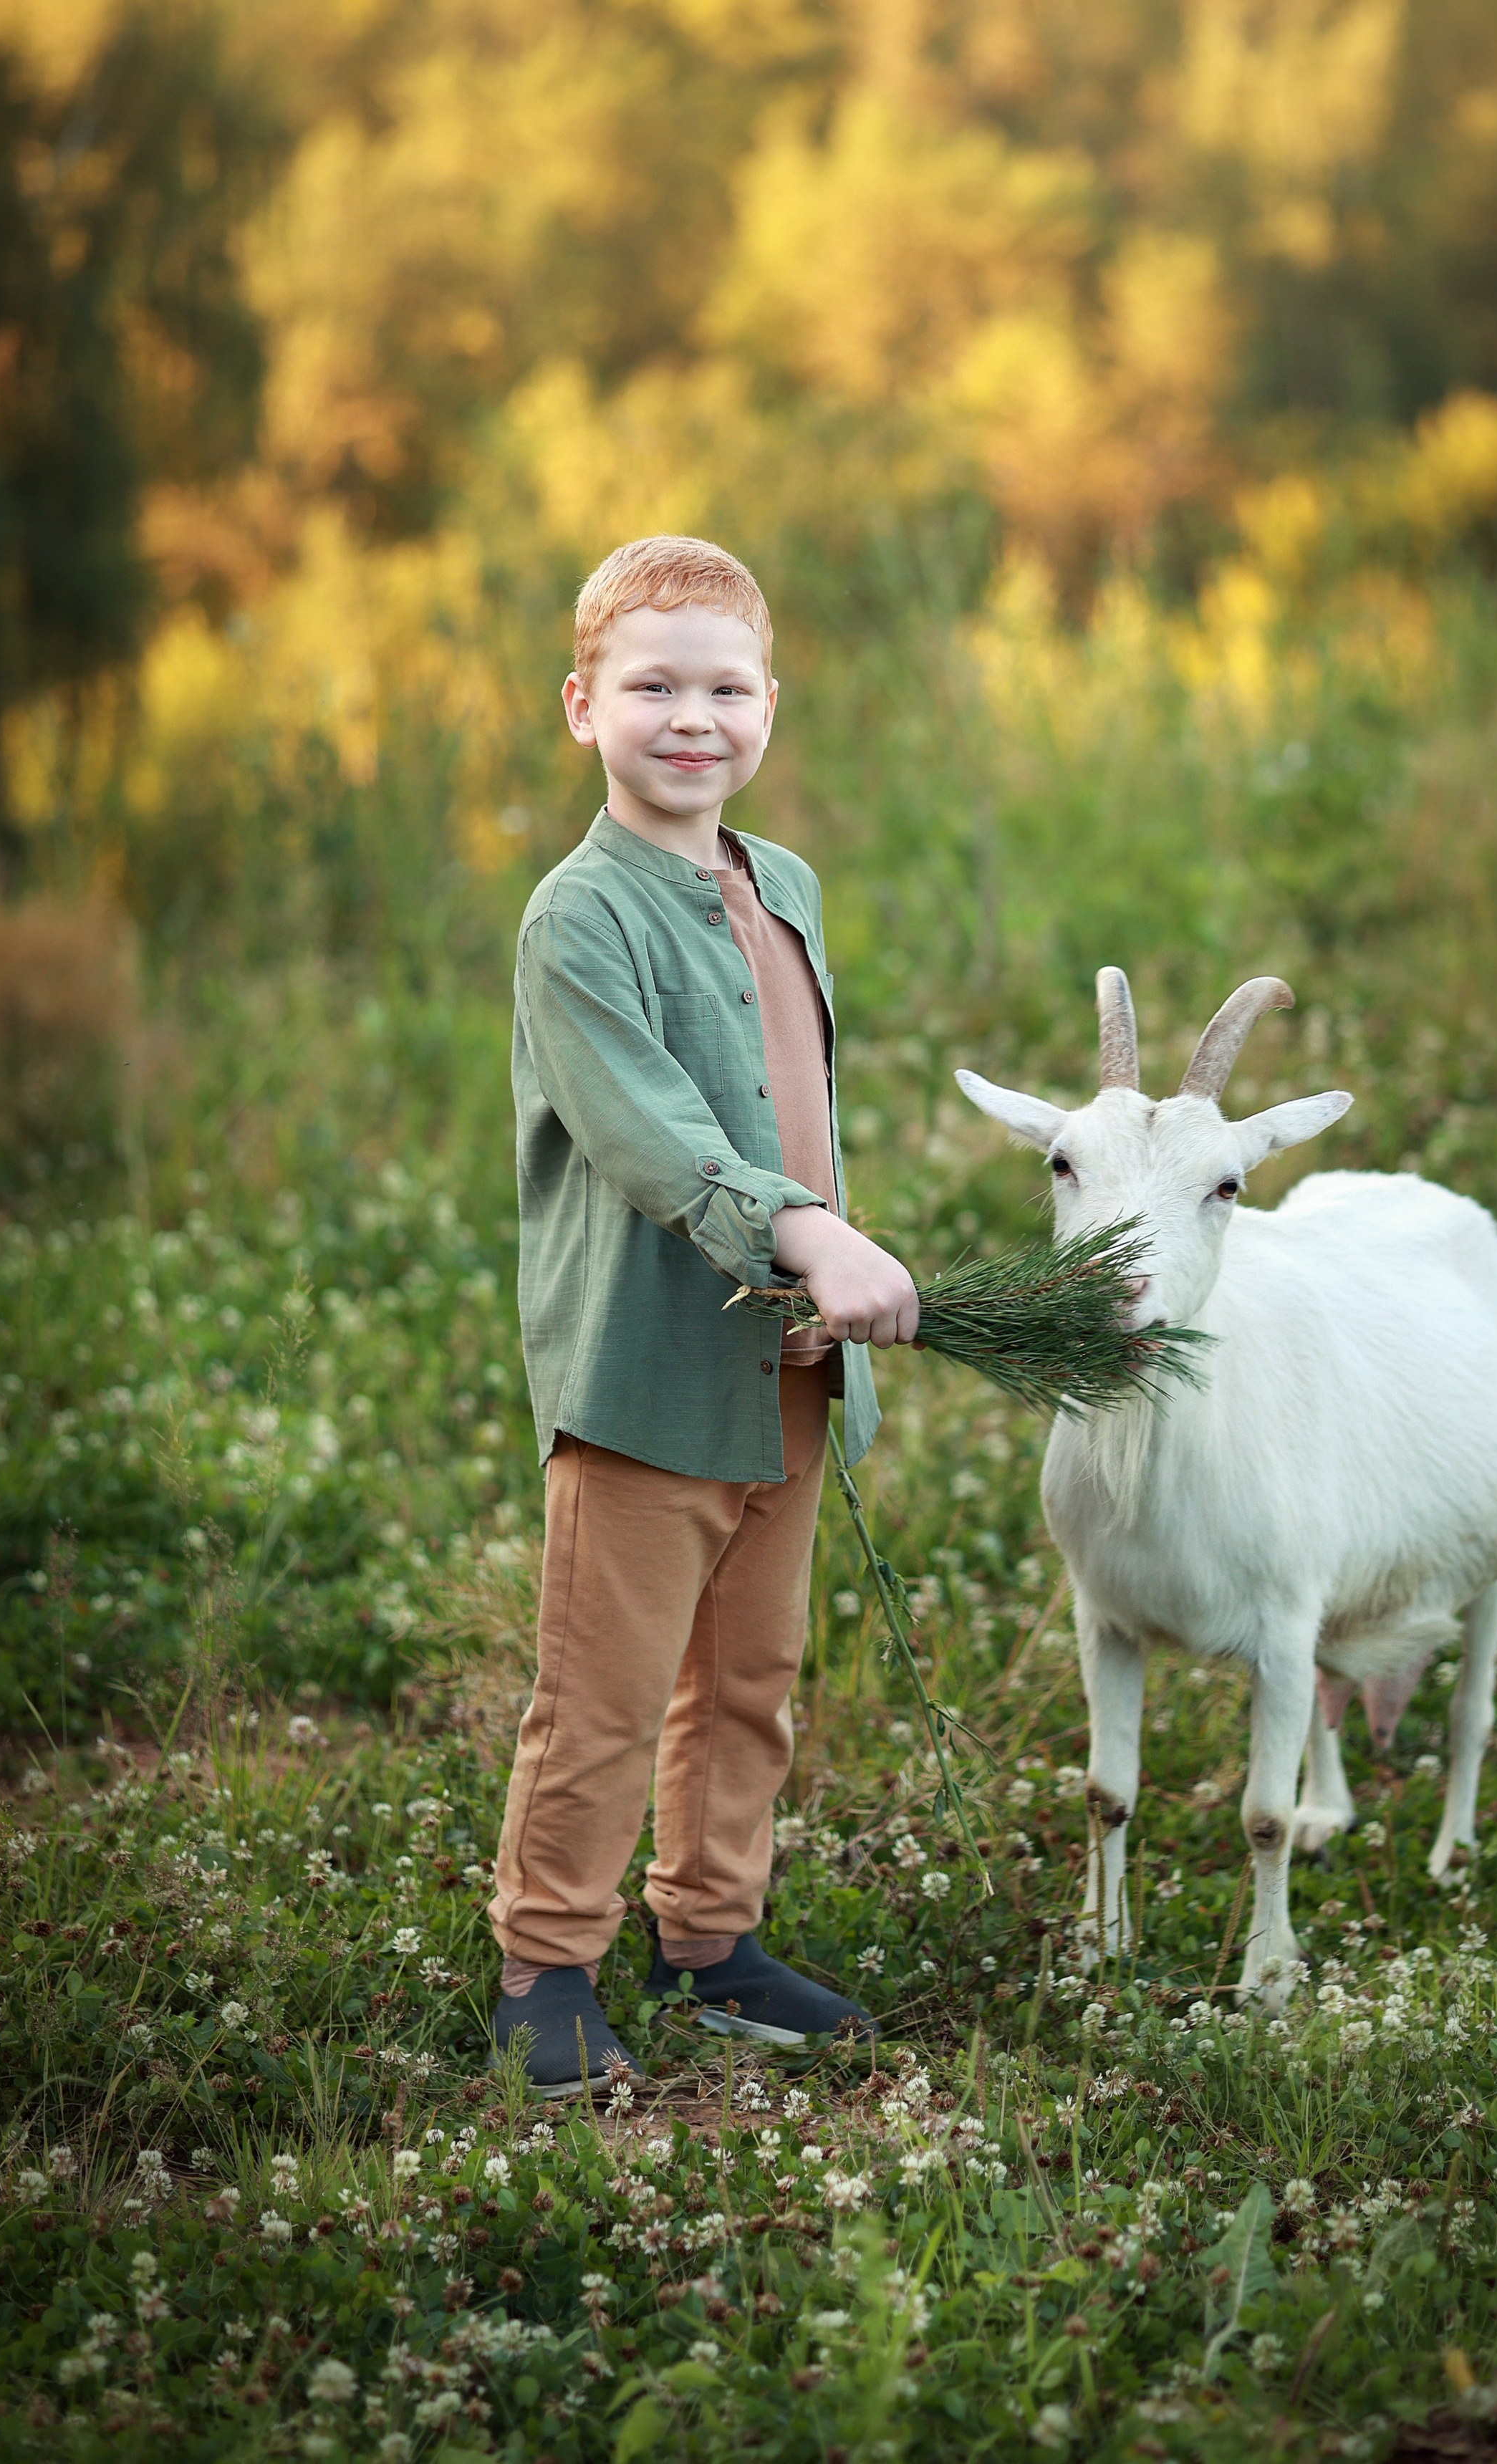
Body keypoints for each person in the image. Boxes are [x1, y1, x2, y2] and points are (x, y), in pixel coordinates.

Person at [487, 534, 919, 2095]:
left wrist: (823, 1258)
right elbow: (655, 1136)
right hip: (651, 1371)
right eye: (651, 686)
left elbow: (790, 1096)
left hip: (784, 1365)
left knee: (749, 1674)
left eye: (723, 688)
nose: (692, 719)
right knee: (603, 1689)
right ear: (580, 705)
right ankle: (547, 1964)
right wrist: (807, 1232)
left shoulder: (778, 882)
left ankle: (710, 1938)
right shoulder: (575, 921)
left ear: (769, 708)